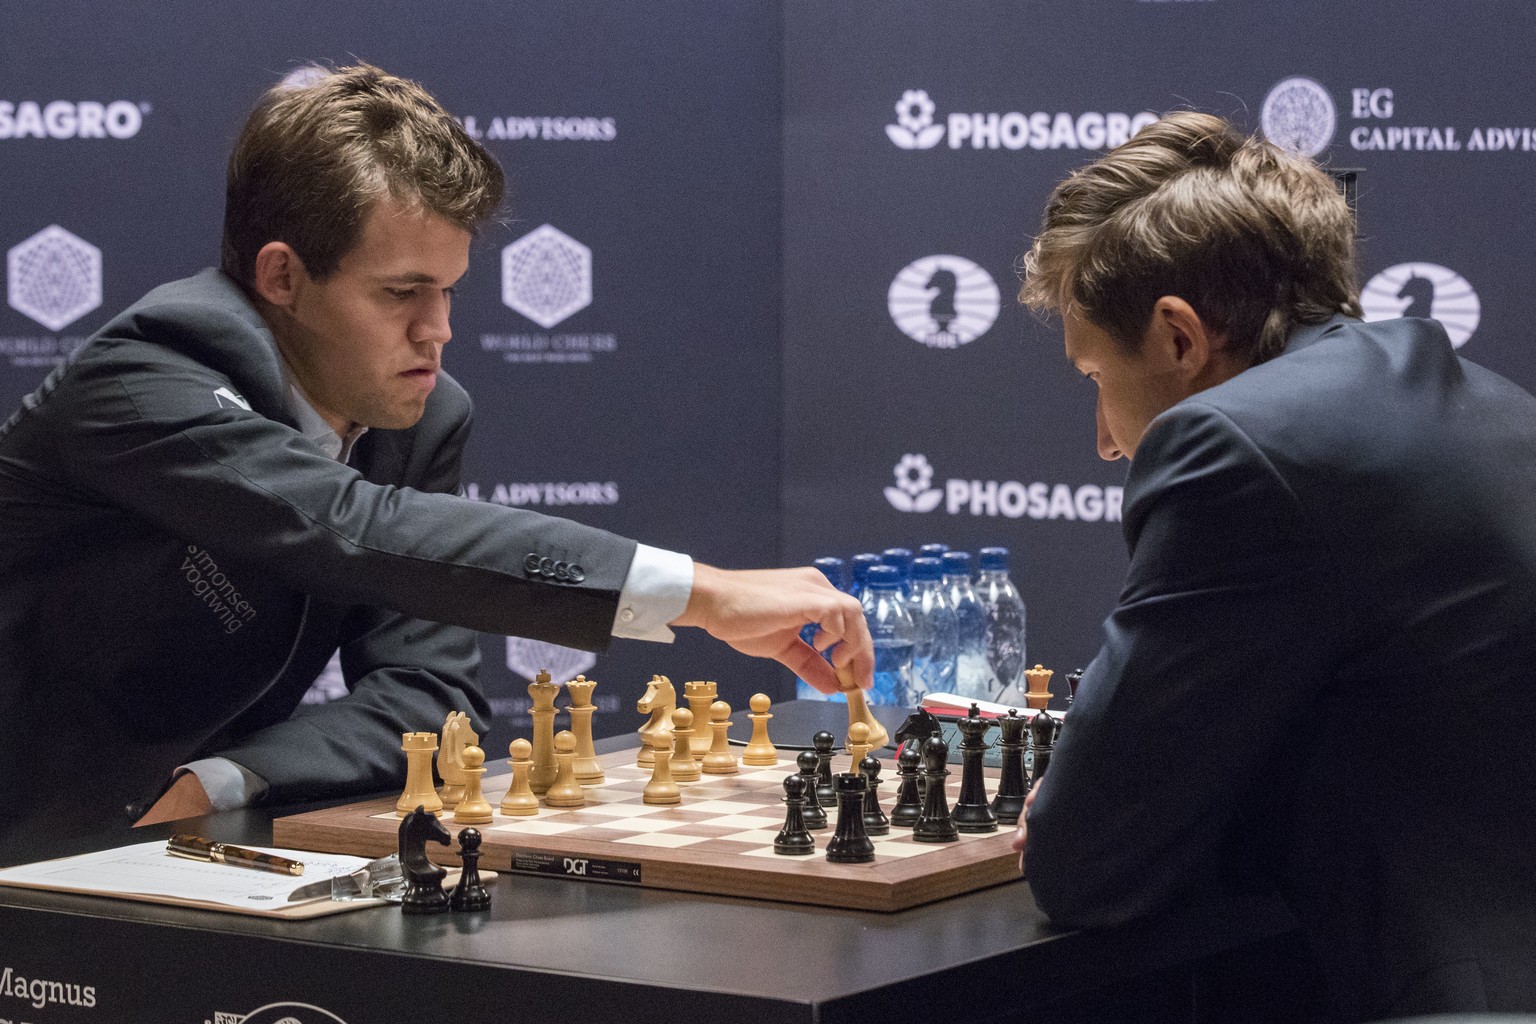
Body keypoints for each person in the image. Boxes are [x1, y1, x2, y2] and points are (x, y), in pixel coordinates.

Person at [0, 64, 870, 856]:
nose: (439, 330)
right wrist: (704, 595)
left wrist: (220, 781)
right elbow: (347, 526)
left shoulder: (416, 417)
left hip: (152, 858)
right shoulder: (150, 375)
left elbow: (425, 694)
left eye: (448, 288)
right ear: (280, 277)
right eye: (400, 292)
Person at [1011, 111, 1536, 1021]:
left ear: (1179, 336)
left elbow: (1086, 864)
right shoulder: (1481, 397)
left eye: (1096, 377)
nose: (1102, 441)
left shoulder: (1234, 445)